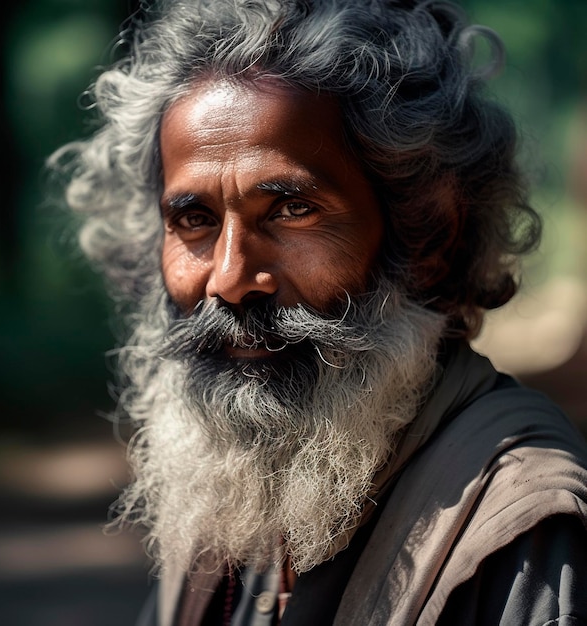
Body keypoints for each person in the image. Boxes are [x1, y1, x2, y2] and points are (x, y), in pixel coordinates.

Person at [47, 0, 587, 623]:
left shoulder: (519, 525)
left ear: (430, 238)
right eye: (193, 220)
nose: (230, 279)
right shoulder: (235, 488)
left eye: (292, 210)